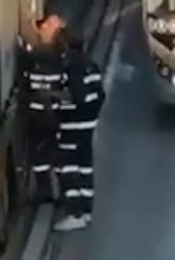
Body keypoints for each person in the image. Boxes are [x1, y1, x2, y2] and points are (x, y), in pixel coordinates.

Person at [53, 31, 105, 232]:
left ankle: (75, 212)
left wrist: (56, 104)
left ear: (65, 46)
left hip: (72, 126)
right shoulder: (91, 65)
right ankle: (86, 211)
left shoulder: (71, 67)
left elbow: (76, 97)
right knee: (85, 168)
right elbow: (100, 95)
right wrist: (92, 118)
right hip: (86, 127)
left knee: (68, 168)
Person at [21, 15, 69, 203]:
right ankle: (59, 193)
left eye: (47, 25)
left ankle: (47, 191)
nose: (41, 28)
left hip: (44, 117)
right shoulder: (61, 57)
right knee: (50, 156)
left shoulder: (38, 56)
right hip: (51, 117)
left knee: (44, 155)